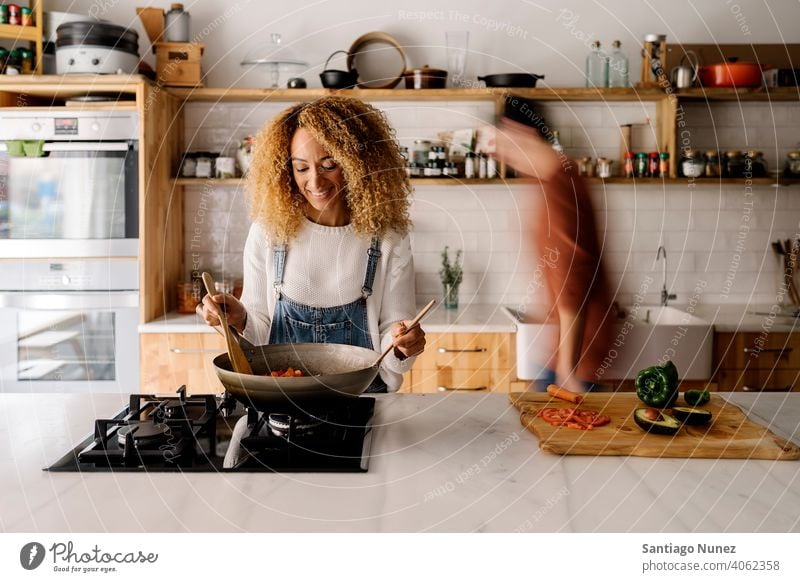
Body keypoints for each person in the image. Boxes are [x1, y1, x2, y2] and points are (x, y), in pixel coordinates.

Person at [199, 96, 426, 393]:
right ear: (287, 171)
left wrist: (402, 346)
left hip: (362, 400)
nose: (315, 182)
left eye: (329, 164)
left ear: (359, 163)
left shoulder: (388, 236)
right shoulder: (269, 232)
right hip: (282, 400)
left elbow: (391, 339)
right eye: (301, 168)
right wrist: (239, 319)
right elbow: (260, 338)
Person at [496, 97, 613, 393]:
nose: (498, 150)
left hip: (576, 354)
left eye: (501, 139)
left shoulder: (560, 184)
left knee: (563, 436)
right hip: (562, 346)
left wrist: (567, 368)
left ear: (518, 131)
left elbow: (573, 277)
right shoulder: (554, 178)